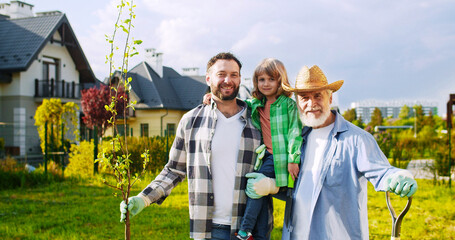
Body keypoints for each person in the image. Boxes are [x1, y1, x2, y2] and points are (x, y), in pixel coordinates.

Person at [245, 65, 418, 240]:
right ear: (297, 102)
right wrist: (271, 186)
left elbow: (382, 172)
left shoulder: (356, 139)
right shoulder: (298, 141)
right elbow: (299, 189)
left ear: (330, 98)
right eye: (304, 97)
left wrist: (398, 176)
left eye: (317, 95)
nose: (311, 104)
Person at [119, 52, 269, 240]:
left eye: (234, 74)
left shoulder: (258, 120)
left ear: (240, 78)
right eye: (221, 74)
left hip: (250, 229)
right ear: (208, 78)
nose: (228, 80)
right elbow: (174, 170)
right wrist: (143, 198)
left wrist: (271, 185)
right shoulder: (191, 121)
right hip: (207, 229)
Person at [234, 58, 302, 240]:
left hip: (279, 157)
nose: (266, 84)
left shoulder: (288, 105)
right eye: (261, 79)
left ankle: (245, 228)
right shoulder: (256, 104)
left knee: (256, 188)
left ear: (280, 81)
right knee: (263, 196)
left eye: (271, 79)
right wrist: (211, 97)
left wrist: (294, 159)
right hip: (264, 157)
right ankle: (261, 235)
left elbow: (295, 132)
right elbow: (236, 104)